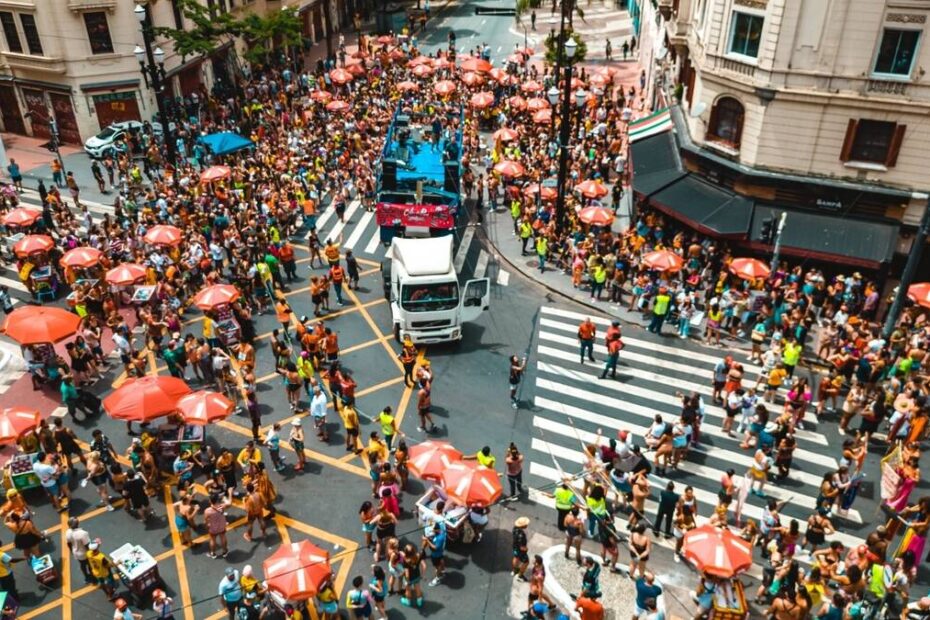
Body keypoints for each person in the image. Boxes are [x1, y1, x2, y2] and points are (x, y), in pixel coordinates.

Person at [205, 494, 230, 558]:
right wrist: (226, 497)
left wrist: (207, 527)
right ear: (217, 500)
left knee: (212, 540)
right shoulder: (222, 506)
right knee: (223, 537)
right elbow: (229, 503)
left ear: (210, 501)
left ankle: (213, 553)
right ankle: (225, 551)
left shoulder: (207, 511)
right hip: (222, 526)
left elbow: (206, 521)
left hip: (213, 528)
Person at [512, 516, 530, 580]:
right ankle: (520, 575)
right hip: (520, 551)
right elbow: (522, 547)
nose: (527, 525)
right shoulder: (521, 535)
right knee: (526, 562)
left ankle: (514, 570)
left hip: (515, 547)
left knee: (516, 557)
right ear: (523, 526)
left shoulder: (515, 529)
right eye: (526, 524)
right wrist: (526, 549)